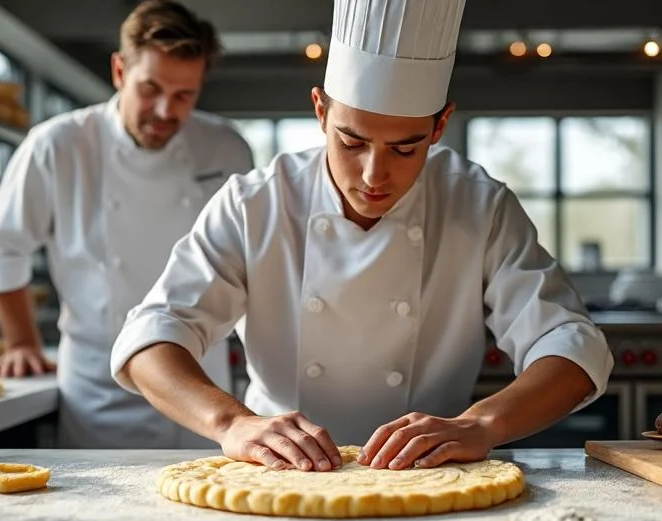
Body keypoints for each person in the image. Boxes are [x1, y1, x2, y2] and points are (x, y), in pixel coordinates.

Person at [110, 0, 614, 471]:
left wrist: (481, 423)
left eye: (405, 148)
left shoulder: (478, 205)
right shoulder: (255, 204)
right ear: (321, 111)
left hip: (428, 474)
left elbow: (570, 344)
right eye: (352, 142)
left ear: (439, 127)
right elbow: (152, 335)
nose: (374, 175)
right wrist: (232, 423)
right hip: (281, 473)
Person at [0, 0, 254, 449]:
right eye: (151, 88)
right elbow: (2, 250)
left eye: (184, 95)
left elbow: (247, 258)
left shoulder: (226, 148)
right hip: (101, 386)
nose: (166, 110)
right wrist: (21, 341)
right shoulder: (58, 145)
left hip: (202, 385)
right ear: (120, 71)